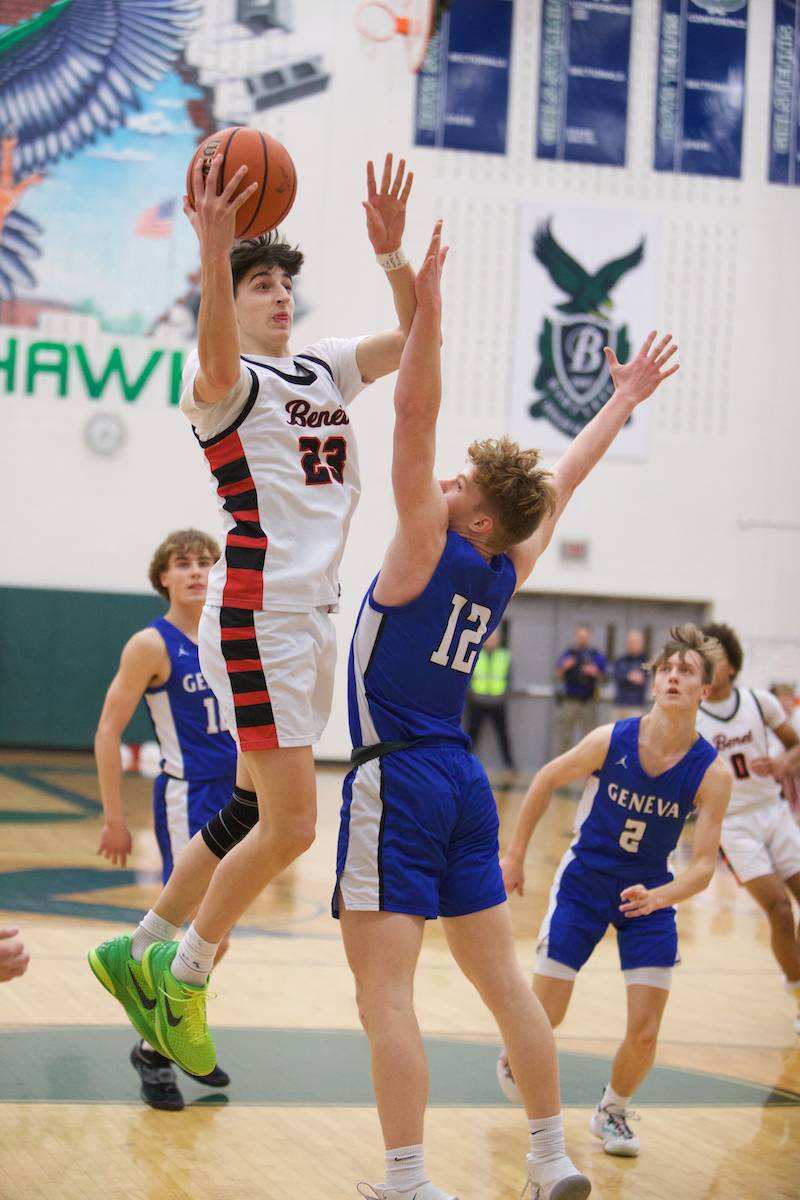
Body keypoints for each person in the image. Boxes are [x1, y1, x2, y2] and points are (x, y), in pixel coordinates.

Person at [334, 220, 681, 1200]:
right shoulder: (500, 570)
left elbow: (411, 415)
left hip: (395, 775)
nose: (442, 482)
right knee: (507, 992)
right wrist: (616, 400)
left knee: (384, 997)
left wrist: (427, 308)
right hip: (463, 784)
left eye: (460, 485)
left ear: (475, 517)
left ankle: (404, 1181)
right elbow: (558, 485)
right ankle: (547, 1158)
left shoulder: (419, 546)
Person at [88, 151, 417, 1077]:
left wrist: (393, 257)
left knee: (244, 808)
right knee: (295, 828)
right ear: (231, 300)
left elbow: (418, 332)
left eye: (282, 283)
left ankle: (138, 941)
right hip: (259, 613)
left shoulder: (322, 368)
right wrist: (214, 254)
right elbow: (215, 349)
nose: (278, 295)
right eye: (258, 283)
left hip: (310, 616)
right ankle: (180, 975)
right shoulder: (223, 386)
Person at [498, 625, 731, 1159]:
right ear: (654, 684)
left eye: (687, 671)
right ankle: (517, 1050)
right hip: (584, 884)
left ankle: (613, 1112)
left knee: (646, 1029)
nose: (674, 676)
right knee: (545, 1017)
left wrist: (663, 896)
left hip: (649, 896)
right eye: (666, 669)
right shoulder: (611, 740)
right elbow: (543, 781)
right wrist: (514, 856)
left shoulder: (711, 773)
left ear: (705, 691)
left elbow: (702, 867)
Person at [91, 528, 238, 1110]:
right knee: (197, 929)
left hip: (239, 798)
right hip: (188, 796)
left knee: (214, 935)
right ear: (164, 578)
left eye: (206, 562)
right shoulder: (150, 644)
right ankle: (155, 1051)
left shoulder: (228, 634)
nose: (198, 571)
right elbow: (107, 730)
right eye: (184, 564)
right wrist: (113, 818)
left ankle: (166, 1036)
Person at [696, 622, 800, 1034]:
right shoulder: (692, 718)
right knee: (777, 908)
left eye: (714, 655)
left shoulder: (760, 703)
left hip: (773, 812)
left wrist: (782, 764)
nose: (707, 662)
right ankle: (797, 994)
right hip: (732, 824)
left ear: (733, 665)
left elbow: (795, 745)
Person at [464, 626, 515, 775]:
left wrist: (503, 696)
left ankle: (509, 764)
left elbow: (509, 678)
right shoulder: (476, 654)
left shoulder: (504, 655)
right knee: (471, 734)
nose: (492, 641)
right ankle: (464, 762)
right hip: (477, 701)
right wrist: (472, 695)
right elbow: (468, 677)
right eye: (490, 638)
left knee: (503, 734)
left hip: (497, 702)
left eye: (495, 638)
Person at [555, 625, 606, 754]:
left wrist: (595, 672)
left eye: (585, 637)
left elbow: (604, 679)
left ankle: (587, 768)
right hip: (570, 700)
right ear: (576, 637)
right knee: (565, 734)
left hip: (588, 701)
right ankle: (563, 767)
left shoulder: (595, 655)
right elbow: (557, 676)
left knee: (590, 735)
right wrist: (564, 667)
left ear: (589, 637)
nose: (582, 640)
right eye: (580, 637)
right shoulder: (569, 654)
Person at [612, 629, 648, 719]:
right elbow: (616, 676)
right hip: (619, 705)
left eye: (635, 642)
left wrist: (627, 676)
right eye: (630, 642)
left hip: (636, 706)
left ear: (641, 643)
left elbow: (643, 678)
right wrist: (629, 677)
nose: (633, 645)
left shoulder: (646, 662)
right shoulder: (620, 660)